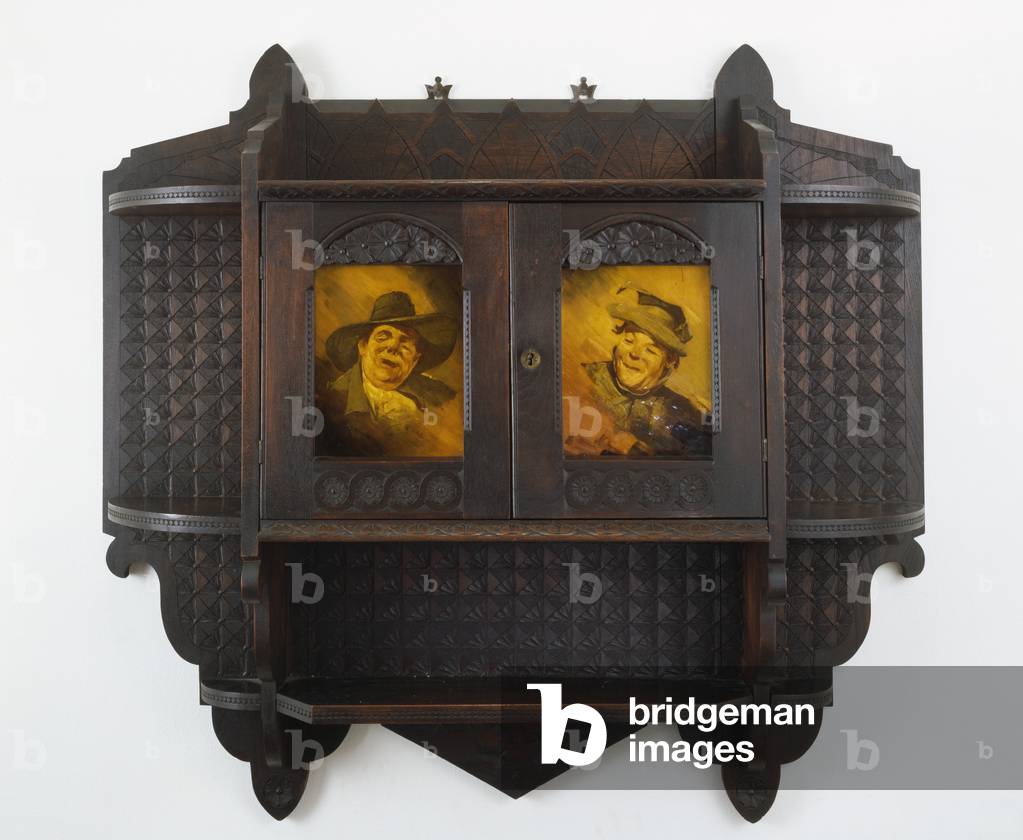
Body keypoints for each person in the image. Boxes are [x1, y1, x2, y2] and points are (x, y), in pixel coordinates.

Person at [568, 288, 711, 457]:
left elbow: (702, 456)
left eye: (650, 350)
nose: (634, 354)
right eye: (629, 341)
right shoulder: (582, 380)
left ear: (670, 361)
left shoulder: (680, 409)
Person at [316, 291, 458, 456]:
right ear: (362, 346)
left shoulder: (442, 399)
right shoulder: (330, 402)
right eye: (383, 337)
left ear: (416, 359)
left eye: (405, 342)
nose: (393, 347)